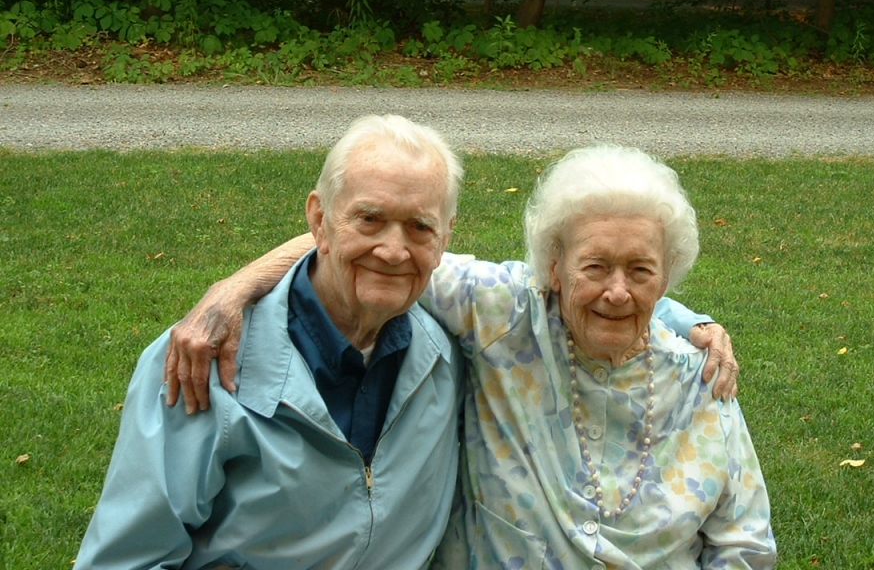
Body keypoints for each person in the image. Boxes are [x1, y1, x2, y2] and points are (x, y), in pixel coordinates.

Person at [167, 137, 773, 567]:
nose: (617, 291)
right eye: (594, 265)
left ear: (667, 277)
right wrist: (235, 287)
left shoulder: (703, 377)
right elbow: (377, 244)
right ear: (553, 268)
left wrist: (692, 320)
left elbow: (743, 545)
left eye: (641, 270)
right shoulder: (503, 315)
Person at [76, 115, 467, 568]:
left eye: (419, 226)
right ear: (319, 219)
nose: (394, 250)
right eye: (370, 218)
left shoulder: (450, 351)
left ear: (445, 239)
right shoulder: (202, 360)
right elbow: (126, 560)